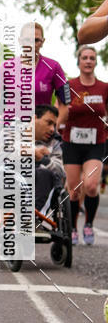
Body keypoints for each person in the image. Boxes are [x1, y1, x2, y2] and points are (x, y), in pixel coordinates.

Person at [62, 45, 108, 246]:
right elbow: (60, 111)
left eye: (92, 58)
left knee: (90, 186)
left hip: (95, 143)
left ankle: (88, 224)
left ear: (95, 62)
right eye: (85, 57)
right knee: (74, 190)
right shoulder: (68, 85)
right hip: (71, 142)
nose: (88, 61)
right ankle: (72, 227)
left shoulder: (104, 88)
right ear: (78, 61)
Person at [0, 103, 65, 221]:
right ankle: (18, 217)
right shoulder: (10, 132)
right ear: (34, 118)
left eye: (54, 125)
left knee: (44, 174)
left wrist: (44, 160)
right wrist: (29, 152)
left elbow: (60, 171)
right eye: (49, 123)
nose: (52, 129)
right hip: (11, 181)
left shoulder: (54, 143)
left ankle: (30, 218)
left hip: (40, 185)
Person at [0, 23, 70, 120]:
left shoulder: (54, 67)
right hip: (10, 128)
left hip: (40, 131)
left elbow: (65, 103)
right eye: (27, 40)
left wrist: (53, 128)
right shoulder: (6, 67)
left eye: (36, 40)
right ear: (20, 41)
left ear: (42, 42)